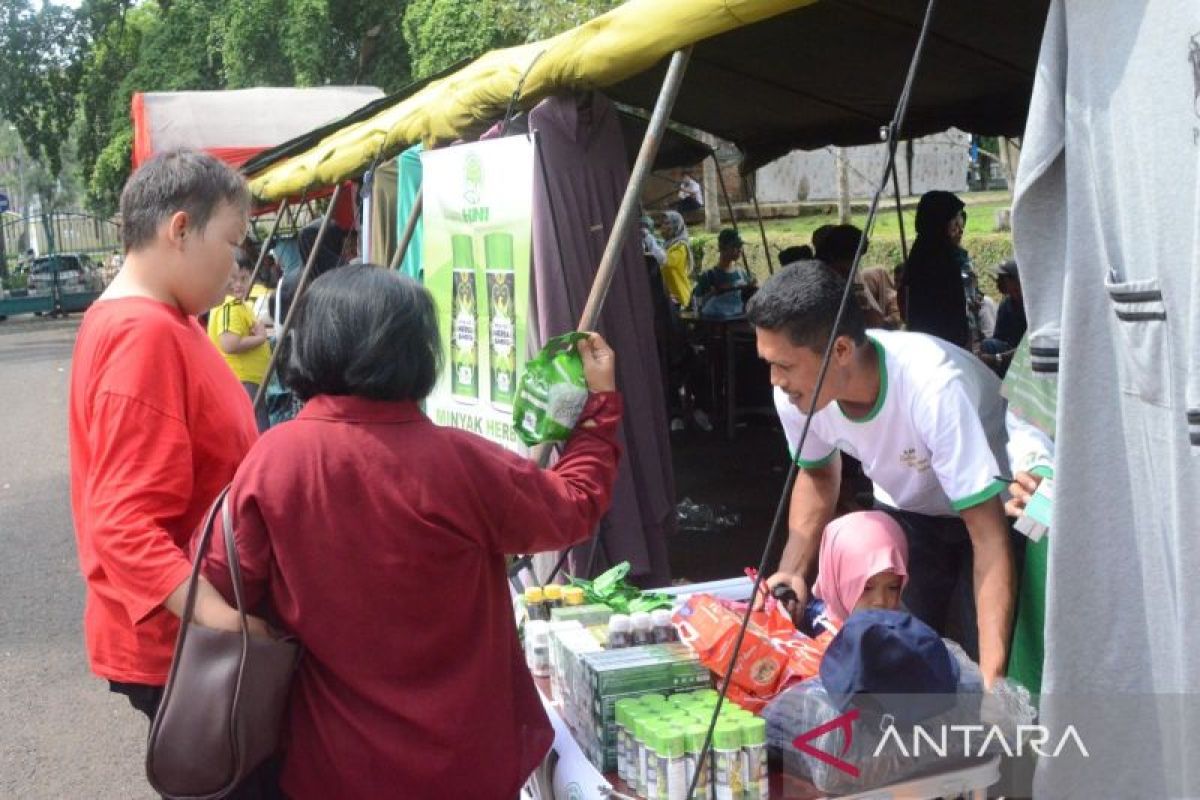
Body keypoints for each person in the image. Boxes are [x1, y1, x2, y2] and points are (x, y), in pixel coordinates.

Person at [199, 265, 623, 798]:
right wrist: (597, 407)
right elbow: (575, 506)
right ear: (416, 352)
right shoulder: (461, 462)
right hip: (464, 762)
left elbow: (220, 583)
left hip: (333, 761)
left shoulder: (274, 460)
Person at [67, 151, 267, 766]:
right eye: (233, 242)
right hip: (187, 643)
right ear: (179, 229)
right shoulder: (144, 334)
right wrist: (222, 620)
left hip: (190, 633)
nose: (238, 264)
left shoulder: (163, 320)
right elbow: (123, 524)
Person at [747, 264, 1016, 686]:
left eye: (783, 365)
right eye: (768, 363)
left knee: (986, 657)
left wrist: (992, 684)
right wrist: (793, 571)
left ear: (839, 351)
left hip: (993, 511)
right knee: (902, 661)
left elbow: (988, 537)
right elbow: (817, 475)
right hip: (907, 508)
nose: (775, 380)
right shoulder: (796, 394)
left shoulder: (932, 388)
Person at [901, 190, 972, 349]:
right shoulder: (941, 260)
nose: (960, 228)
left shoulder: (920, 252)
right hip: (943, 347)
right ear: (940, 222)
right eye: (956, 221)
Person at [812, 511, 909, 625]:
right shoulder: (808, 632)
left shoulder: (906, 633)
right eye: (866, 588)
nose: (880, 601)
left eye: (893, 588)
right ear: (836, 579)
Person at [208, 259, 272, 432]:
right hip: (242, 378)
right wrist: (260, 338)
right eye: (233, 279)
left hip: (247, 379)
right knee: (256, 426)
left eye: (244, 279)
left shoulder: (237, 305)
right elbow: (229, 343)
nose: (238, 285)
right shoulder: (231, 306)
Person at [814, 224, 901, 329]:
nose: (854, 265)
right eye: (854, 258)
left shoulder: (850, 274)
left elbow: (868, 310)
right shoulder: (821, 283)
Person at [695, 228, 755, 318]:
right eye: (735, 246)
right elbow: (698, 305)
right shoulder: (709, 276)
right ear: (722, 248)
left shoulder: (742, 274)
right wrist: (714, 293)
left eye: (740, 246)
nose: (739, 250)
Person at [658, 210, 694, 308]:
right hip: (668, 298)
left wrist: (650, 242)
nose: (663, 227)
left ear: (676, 226)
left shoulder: (680, 247)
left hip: (680, 299)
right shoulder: (665, 246)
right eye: (662, 223)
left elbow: (667, 262)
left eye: (667, 223)